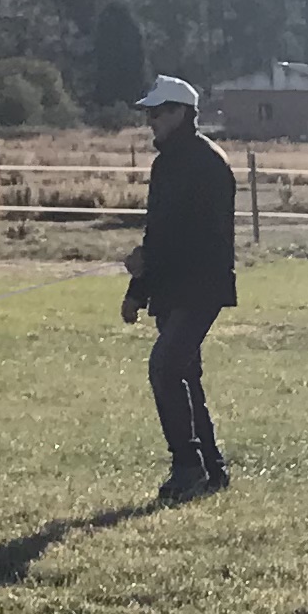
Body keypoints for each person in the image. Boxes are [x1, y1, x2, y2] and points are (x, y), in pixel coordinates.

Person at [120, 74, 237, 499]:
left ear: (180, 113)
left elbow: (198, 236)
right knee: (184, 374)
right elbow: (158, 232)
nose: (150, 121)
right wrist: (138, 288)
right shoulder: (166, 164)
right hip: (173, 286)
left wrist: (148, 264)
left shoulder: (206, 164)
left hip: (200, 286)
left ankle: (187, 467)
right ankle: (212, 470)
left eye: (156, 113)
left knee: (165, 368)